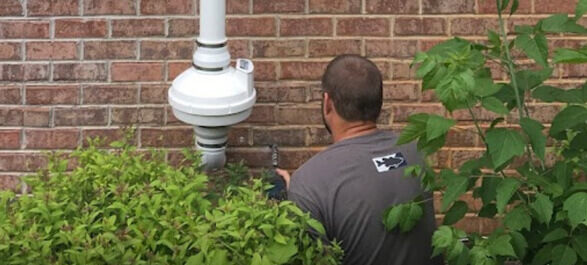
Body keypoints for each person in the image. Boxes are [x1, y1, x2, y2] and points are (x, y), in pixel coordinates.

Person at [276, 55, 443, 265]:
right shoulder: (414, 154)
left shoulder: (309, 183)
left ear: (327, 103)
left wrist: (296, 197)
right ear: (378, 103)